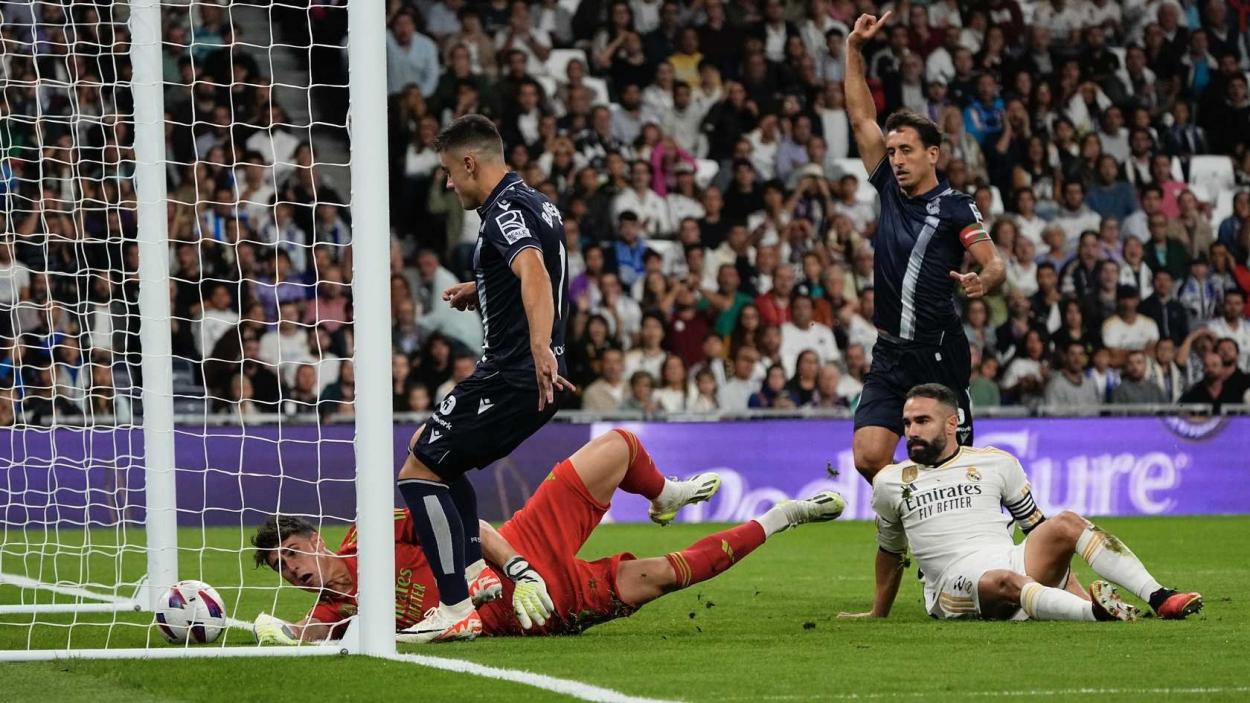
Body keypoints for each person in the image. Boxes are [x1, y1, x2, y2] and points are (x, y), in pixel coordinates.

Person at [251, 429, 843, 643]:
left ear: (316, 538)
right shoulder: (335, 607)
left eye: (291, 552)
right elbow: (304, 634)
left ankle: (661, 493)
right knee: (664, 575)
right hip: (536, 612)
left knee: (618, 446)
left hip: (519, 552)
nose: (292, 568)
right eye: (281, 567)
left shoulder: (373, 535)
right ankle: (782, 517)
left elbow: (471, 528)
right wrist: (268, 627)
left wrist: (513, 567)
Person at [399, 115, 574, 642]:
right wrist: (480, 288)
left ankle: (454, 609)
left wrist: (540, 347)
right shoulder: (538, 201)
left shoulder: (503, 213)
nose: (450, 184)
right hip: (525, 374)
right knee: (434, 459)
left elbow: (536, 273)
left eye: (451, 172)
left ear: (471, 162)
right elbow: (529, 269)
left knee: (418, 474)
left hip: (515, 374)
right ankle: (475, 575)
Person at [842, 383, 1202, 621]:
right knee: (1005, 580)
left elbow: (1035, 527)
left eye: (922, 421)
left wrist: (1068, 580)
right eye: (906, 423)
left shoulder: (996, 462)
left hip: (1012, 559)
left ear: (951, 424)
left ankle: (1159, 597)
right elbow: (890, 553)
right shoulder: (890, 481)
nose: (911, 431)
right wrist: (878, 612)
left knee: (1066, 523)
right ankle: (1093, 614)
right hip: (954, 586)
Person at [843, 11, 1005, 482]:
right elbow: (860, 116)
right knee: (869, 457)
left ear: (932, 154)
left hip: (937, 352)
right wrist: (854, 49)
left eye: (906, 150)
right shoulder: (889, 189)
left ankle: (981, 533)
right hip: (889, 352)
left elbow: (994, 264)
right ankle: (916, 517)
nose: (895, 160)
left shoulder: (956, 207)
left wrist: (983, 280)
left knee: (956, 469)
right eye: (891, 152)